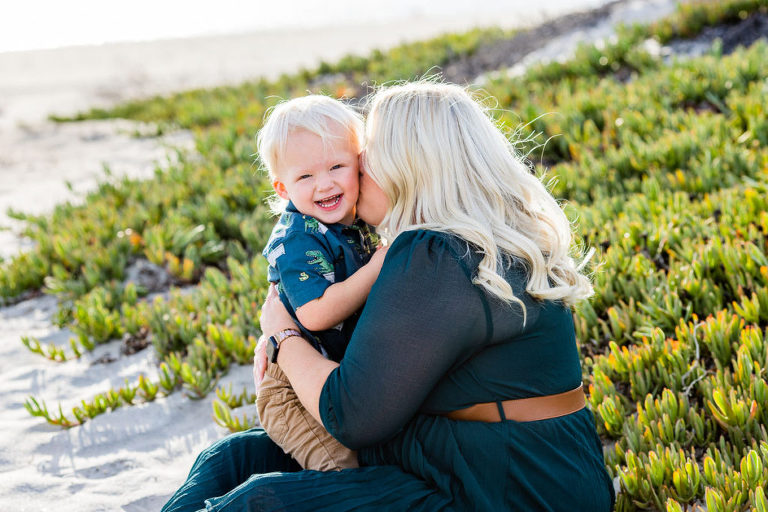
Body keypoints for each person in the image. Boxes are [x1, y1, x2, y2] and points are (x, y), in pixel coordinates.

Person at [162, 81, 615, 512]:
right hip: (487, 461)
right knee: (233, 457)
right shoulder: (474, 243)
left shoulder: (436, 255)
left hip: (507, 489)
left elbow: (351, 414)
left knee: (256, 501)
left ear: (411, 169)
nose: (357, 171)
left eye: (368, 157)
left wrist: (283, 337)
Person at [256, 95, 386, 471]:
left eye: (336, 166)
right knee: (340, 470)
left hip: (326, 376)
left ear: (360, 164)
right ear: (283, 189)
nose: (324, 184)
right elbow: (315, 313)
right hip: (293, 389)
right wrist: (377, 267)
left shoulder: (350, 221)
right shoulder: (298, 237)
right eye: (305, 176)